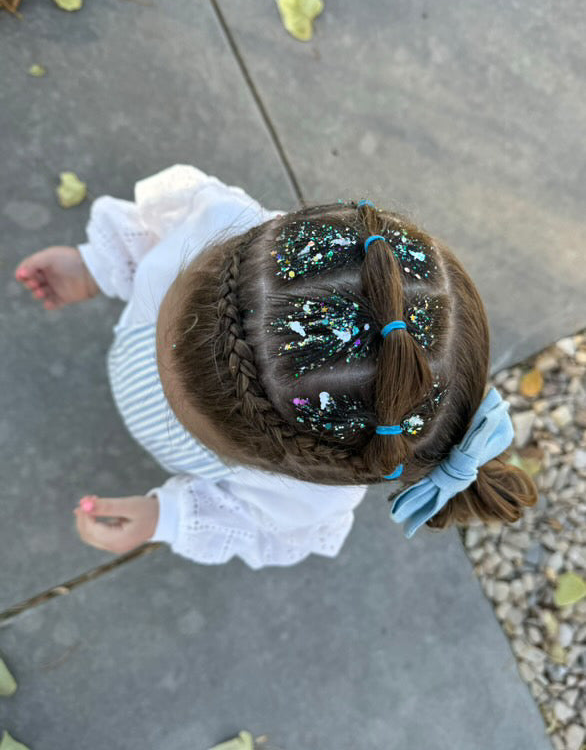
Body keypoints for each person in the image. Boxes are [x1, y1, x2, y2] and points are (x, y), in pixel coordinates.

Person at [14, 164, 538, 569]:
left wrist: (164, 518)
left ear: (278, 465)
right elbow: (157, 230)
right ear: (230, 246)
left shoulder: (304, 502)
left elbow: (250, 524)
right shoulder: (218, 223)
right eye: (168, 328)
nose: (160, 349)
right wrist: (95, 265)